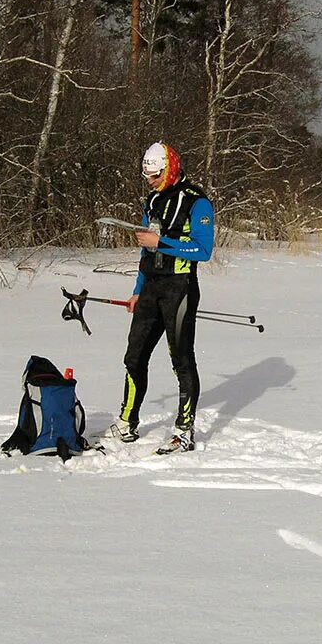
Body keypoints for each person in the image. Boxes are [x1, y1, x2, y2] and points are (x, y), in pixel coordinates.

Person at [106, 142, 215, 453]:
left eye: (154, 175)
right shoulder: (152, 200)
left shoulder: (197, 203)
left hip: (179, 288)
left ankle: (184, 431)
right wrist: (137, 291)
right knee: (134, 357)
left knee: (181, 359)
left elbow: (204, 251)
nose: (149, 180)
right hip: (151, 289)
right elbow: (146, 248)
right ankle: (127, 422)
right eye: (146, 175)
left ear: (169, 170)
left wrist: (162, 242)